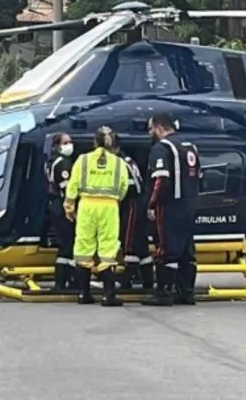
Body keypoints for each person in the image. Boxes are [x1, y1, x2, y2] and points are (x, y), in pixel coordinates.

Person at [64, 126, 129, 307]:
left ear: (94, 142)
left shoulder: (82, 160)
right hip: (109, 206)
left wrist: (69, 207)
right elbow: (124, 187)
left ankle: (83, 293)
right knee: (108, 249)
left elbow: (73, 185)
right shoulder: (119, 163)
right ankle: (109, 295)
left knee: (84, 246)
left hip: (86, 206)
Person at [142, 113, 201, 306]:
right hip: (190, 204)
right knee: (186, 251)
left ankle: (163, 293)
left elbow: (161, 180)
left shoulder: (162, 148)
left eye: (151, 129)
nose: (150, 133)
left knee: (166, 250)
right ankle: (186, 293)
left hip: (170, 206)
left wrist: (152, 204)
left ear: (159, 128)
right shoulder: (189, 146)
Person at [109, 133, 152, 290]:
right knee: (141, 243)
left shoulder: (119, 162)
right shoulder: (127, 160)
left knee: (129, 240)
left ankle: (128, 277)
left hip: (132, 203)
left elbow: (126, 187)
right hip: (138, 202)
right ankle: (148, 278)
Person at [44, 133, 76, 290]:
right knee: (68, 243)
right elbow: (68, 189)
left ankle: (63, 280)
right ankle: (65, 281)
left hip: (55, 204)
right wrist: (72, 208)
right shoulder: (63, 163)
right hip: (62, 205)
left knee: (65, 243)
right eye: (66, 142)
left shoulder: (52, 162)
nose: (69, 145)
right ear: (57, 146)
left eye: (70, 142)